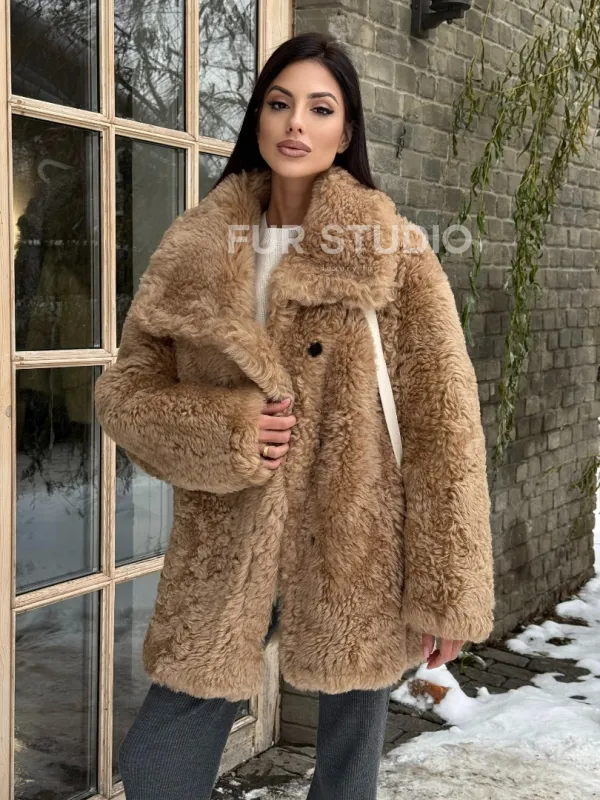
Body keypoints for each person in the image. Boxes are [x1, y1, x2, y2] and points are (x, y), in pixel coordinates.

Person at [95, 31, 495, 800]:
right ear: (258, 119)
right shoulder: (196, 248)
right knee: (157, 762)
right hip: (227, 546)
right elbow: (127, 395)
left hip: (358, 544)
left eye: (320, 107)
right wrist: (227, 432)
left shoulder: (394, 253)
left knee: (347, 771)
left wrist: (448, 591)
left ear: (345, 132)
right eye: (280, 104)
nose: (296, 124)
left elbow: (445, 429)